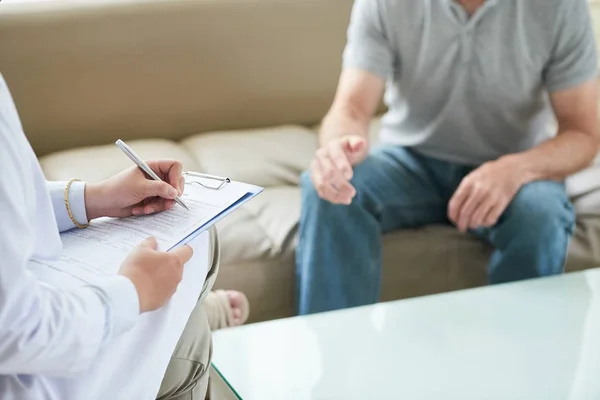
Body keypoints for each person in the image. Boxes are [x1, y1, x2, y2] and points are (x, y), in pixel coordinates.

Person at [297, 0, 600, 315]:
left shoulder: (560, 6)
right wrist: (336, 150)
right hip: (410, 162)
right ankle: (338, 358)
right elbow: (352, 107)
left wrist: (515, 168)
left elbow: (582, 133)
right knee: (330, 190)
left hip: (515, 167)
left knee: (541, 215)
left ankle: (516, 359)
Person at [0, 73, 246, 399]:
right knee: (190, 331)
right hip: (27, 369)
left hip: (33, 294)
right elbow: (18, 330)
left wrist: (93, 198)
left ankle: (185, 309)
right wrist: (132, 292)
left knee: (193, 239)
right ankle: (191, 311)